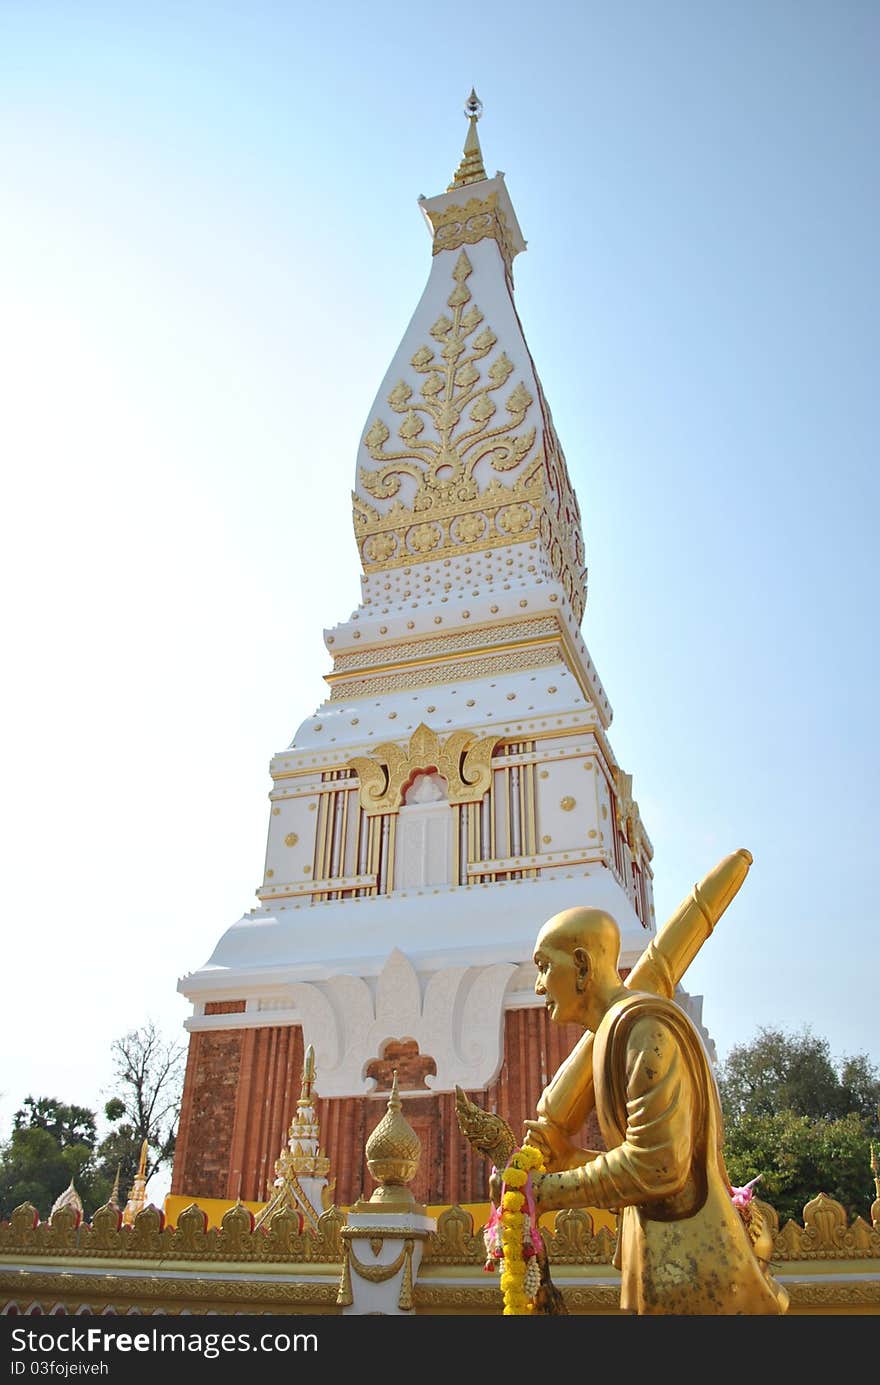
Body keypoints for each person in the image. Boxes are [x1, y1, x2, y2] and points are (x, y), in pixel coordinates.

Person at [526, 906, 789, 1315]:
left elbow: (659, 1167)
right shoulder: (617, 1030)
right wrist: (569, 1160)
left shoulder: (645, 1029)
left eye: (544, 966)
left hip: (697, 1274)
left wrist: (545, 1192)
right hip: (664, 1262)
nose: (539, 986)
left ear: (581, 965)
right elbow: (648, 1172)